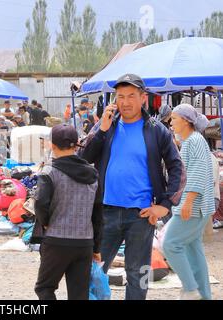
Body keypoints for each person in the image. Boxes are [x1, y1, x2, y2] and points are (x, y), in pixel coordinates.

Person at [81, 74, 185, 300]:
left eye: (131, 96)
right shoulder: (106, 124)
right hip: (104, 213)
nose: (125, 102)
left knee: (139, 275)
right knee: (91, 272)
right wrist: (102, 130)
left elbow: (177, 167)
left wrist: (165, 205)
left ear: (143, 98)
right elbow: (84, 156)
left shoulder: (156, 130)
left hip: (141, 215)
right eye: (120, 97)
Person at [32, 124, 102, 300]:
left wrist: (46, 222)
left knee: (45, 288)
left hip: (57, 241)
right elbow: (98, 213)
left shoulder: (49, 172)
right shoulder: (93, 174)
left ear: (52, 145)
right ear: (76, 144)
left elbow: (40, 203)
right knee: (79, 294)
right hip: (84, 243)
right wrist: (97, 246)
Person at [160, 104, 214, 300]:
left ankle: (191, 289)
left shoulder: (194, 141)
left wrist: (188, 202)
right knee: (193, 250)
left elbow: (197, 173)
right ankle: (203, 295)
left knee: (170, 244)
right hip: (198, 205)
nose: (170, 122)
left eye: (174, 119)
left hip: (194, 205)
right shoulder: (193, 140)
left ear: (185, 120)